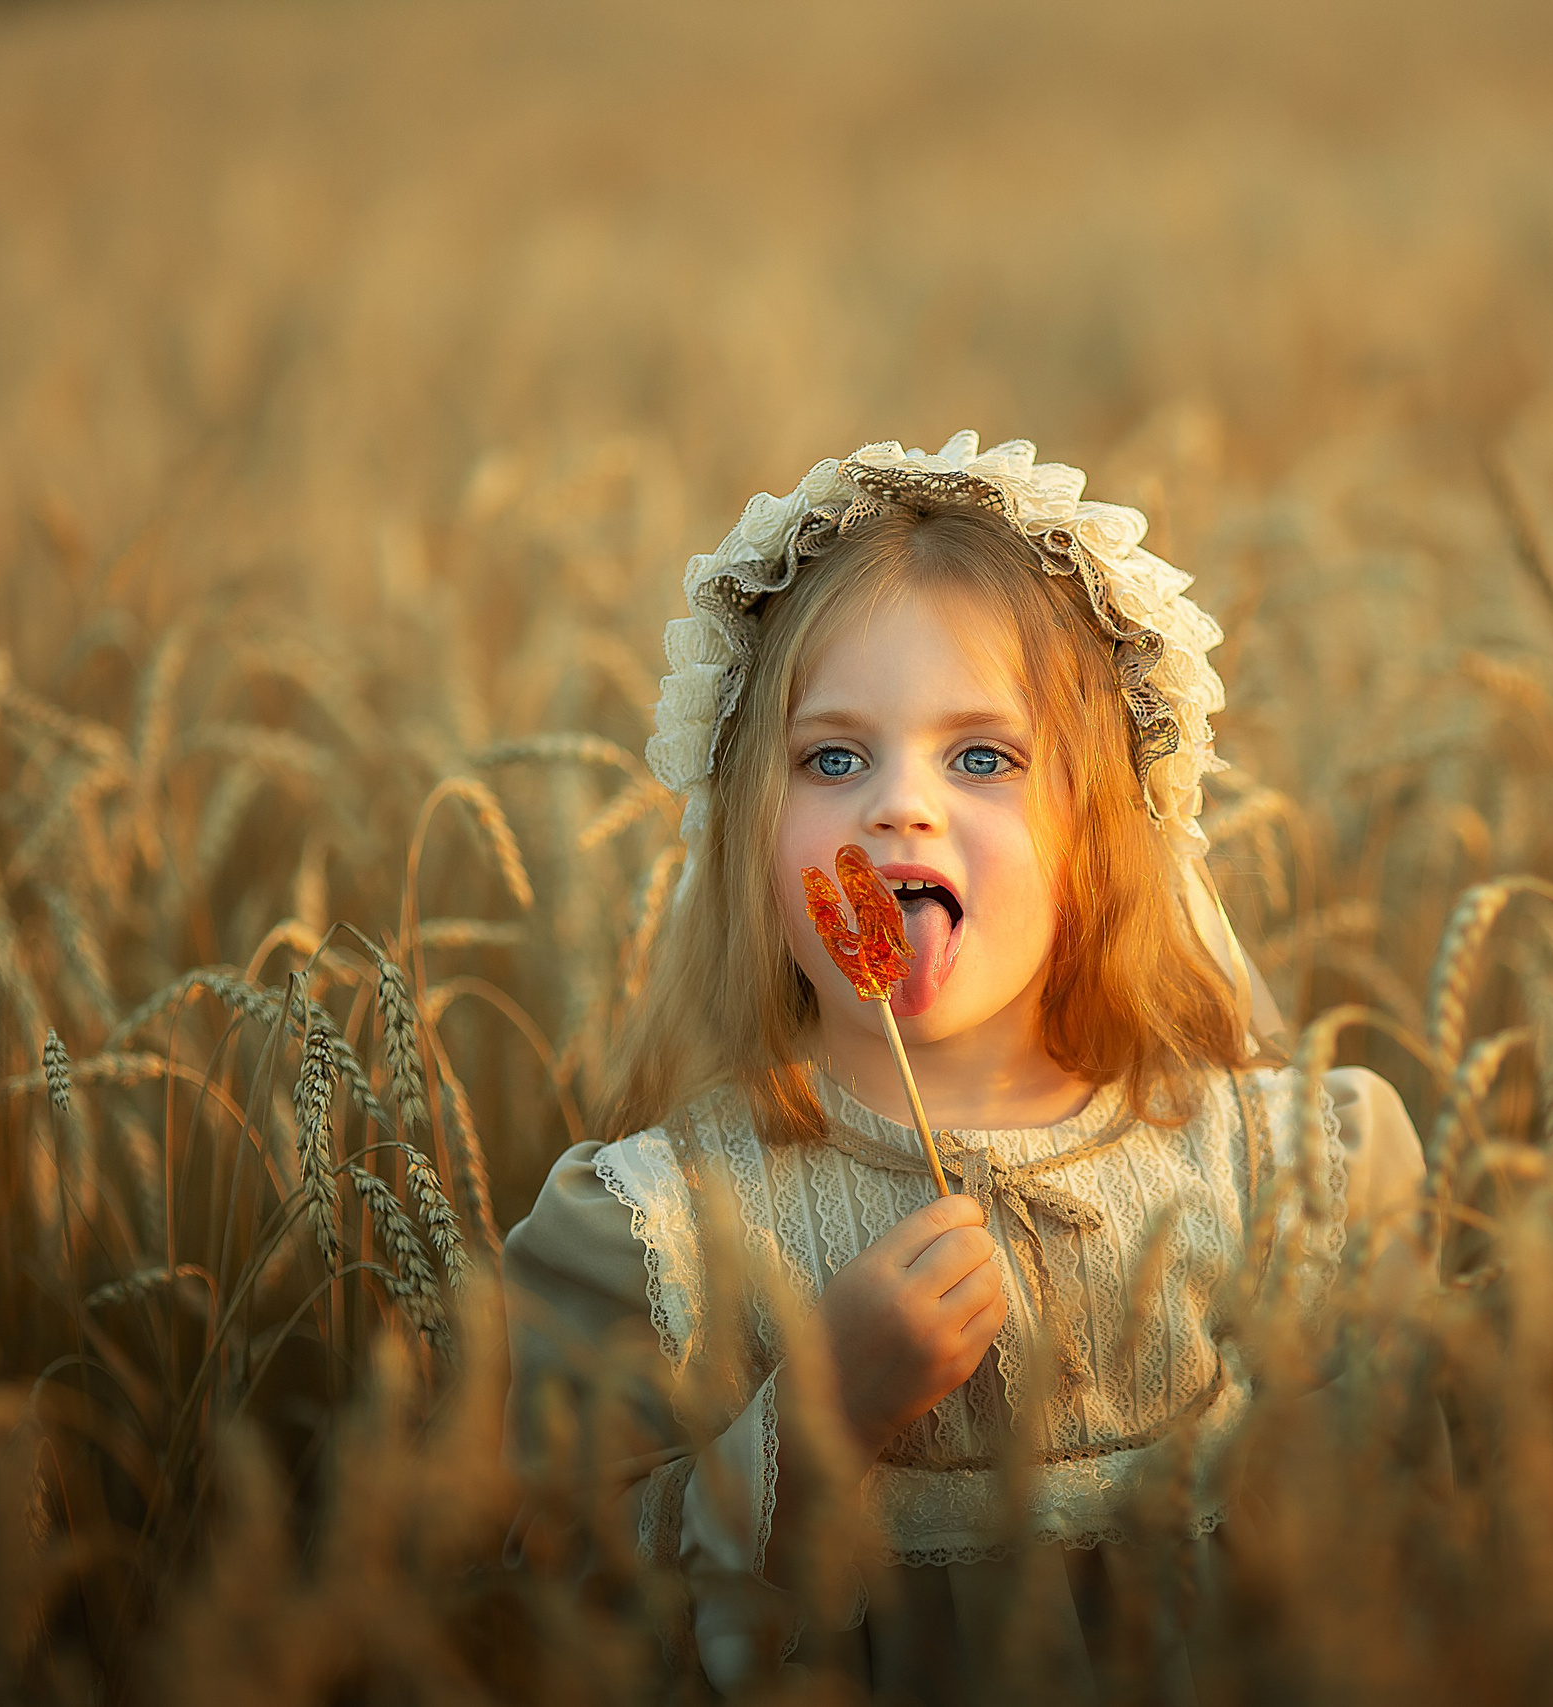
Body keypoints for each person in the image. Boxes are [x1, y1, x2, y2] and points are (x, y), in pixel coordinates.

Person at [502, 432, 1424, 1700]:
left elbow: (1420, 1568)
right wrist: (818, 1415)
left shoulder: (1285, 1177)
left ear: (1106, 829)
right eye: (832, 758)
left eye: (982, 757)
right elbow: (548, 1615)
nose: (901, 808)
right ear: (744, 828)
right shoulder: (658, 1232)